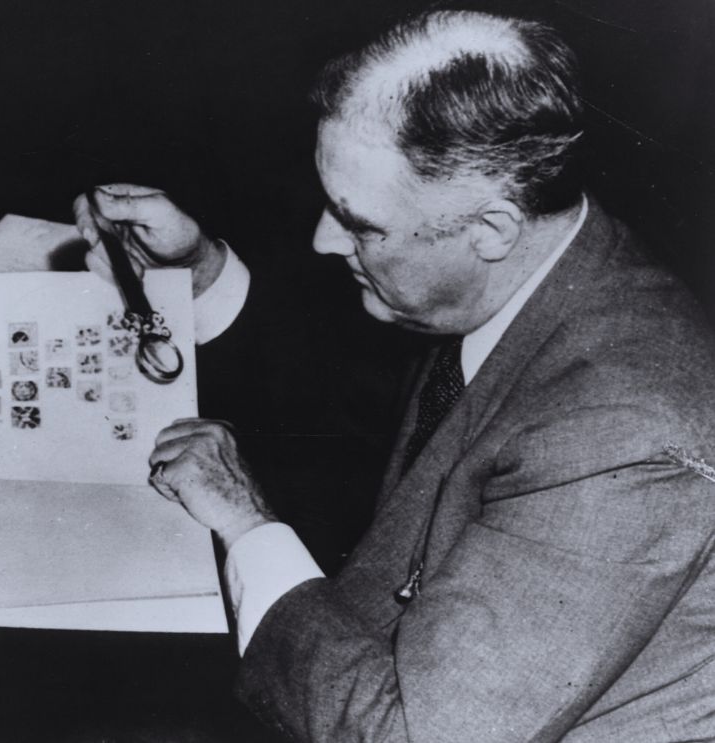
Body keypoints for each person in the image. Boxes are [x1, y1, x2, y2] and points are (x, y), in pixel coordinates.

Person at [75, 10, 715, 742]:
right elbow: (373, 400)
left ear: (490, 228)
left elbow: (408, 735)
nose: (323, 239)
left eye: (361, 225)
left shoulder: (623, 431)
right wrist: (200, 276)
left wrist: (244, 525)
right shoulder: (540, 274)